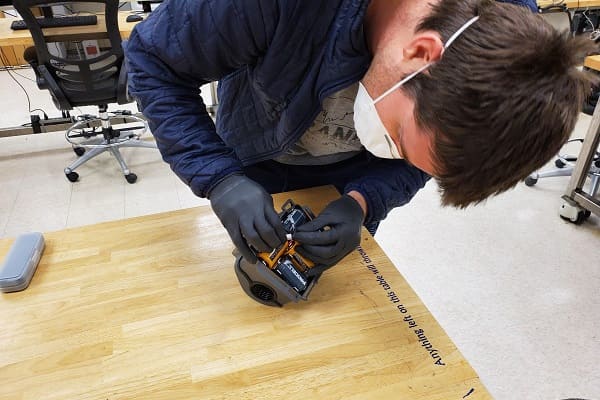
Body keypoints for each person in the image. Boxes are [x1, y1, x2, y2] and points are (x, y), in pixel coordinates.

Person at [124, 0, 592, 276]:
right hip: (258, 146)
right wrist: (219, 178)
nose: (391, 151)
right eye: (401, 139)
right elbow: (151, 60)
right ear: (421, 52)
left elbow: (430, 153)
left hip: (349, 177)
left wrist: (365, 201)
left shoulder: (512, 39)